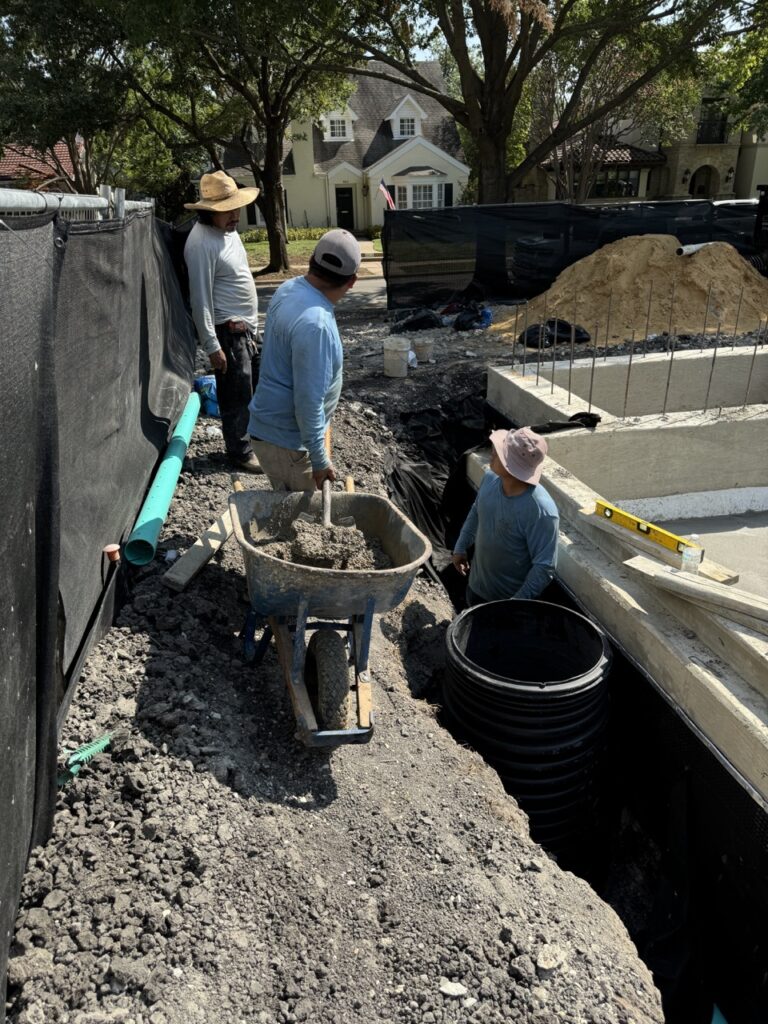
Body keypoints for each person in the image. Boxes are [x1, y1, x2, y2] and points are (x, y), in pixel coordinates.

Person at [247, 229, 361, 491]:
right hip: (289, 445)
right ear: (352, 281)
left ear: (312, 261)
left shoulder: (289, 289)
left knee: (289, 509)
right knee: (304, 522)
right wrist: (320, 460)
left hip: (272, 433)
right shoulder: (316, 325)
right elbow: (307, 402)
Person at [184, 171, 262, 473]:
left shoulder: (227, 232)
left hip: (246, 330)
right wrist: (212, 346)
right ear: (209, 212)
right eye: (227, 210)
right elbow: (199, 298)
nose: (235, 214)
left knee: (251, 389)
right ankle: (239, 453)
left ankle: (251, 443)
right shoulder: (201, 244)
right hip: (227, 333)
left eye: (236, 207)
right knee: (236, 396)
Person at [452, 427, 559, 605]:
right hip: (476, 587)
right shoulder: (490, 478)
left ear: (513, 466)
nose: (493, 452)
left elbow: (544, 566)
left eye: (501, 452)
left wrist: (513, 605)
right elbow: (476, 511)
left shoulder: (541, 511)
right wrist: (461, 547)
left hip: (507, 602)